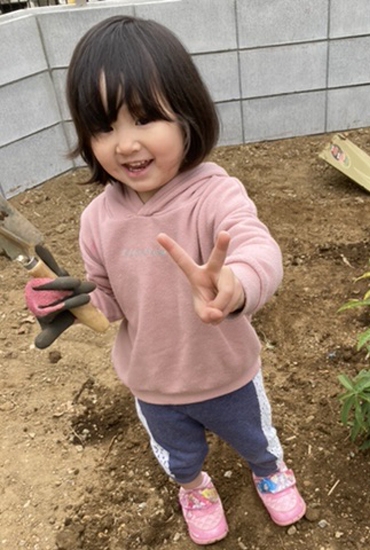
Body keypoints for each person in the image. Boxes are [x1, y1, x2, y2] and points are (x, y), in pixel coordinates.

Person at [25, 15, 306, 546]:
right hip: (153, 383)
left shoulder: (214, 195)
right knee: (179, 456)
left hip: (228, 372)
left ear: (188, 114)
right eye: (105, 127)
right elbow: (107, 298)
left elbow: (257, 247)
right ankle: (195, 487)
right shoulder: (97, 220)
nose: (126, 144)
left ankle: (268, 470)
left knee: (256, 438)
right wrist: (73, 304)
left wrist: (236, 284)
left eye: (146, 118)